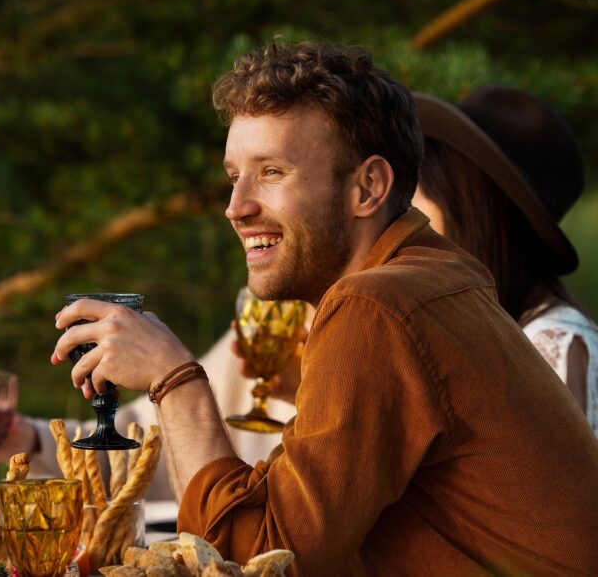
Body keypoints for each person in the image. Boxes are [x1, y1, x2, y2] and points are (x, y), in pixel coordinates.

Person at [51, 41, 598, 574]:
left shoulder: (377, 305)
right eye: (234, 175)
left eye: (272, 172)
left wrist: (175, 379)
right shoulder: (437, 275)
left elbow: (259, 564)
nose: (236, 208)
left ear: (368, 188)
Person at [411, 87, 597, 435]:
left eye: (420, 189)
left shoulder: (551, 343)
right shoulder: (493, 328)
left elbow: (543, 487)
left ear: (469, 205)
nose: (406, 212)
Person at [0, 327, 297, 501]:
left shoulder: (346, 333)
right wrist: (32, 439)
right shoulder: (261, 325)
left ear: (356, 192)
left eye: (275, 178)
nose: (234, 207)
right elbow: (144, 444)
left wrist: (312, 394)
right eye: (234, 180)